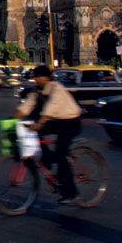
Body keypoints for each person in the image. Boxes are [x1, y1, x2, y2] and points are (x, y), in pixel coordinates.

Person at [14, 65, 82, 205]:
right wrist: (13, 119)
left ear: (45, 77)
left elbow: (51, 107)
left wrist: (40, 122)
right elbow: (27, 106)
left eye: (37, 77)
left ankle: (72, 193)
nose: (35, 79)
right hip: (56, 121)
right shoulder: (37, 91)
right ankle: (48, 158)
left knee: (61, 153)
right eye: (34, 77)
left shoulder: (56, 88)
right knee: (31, 132)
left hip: (70, 122)